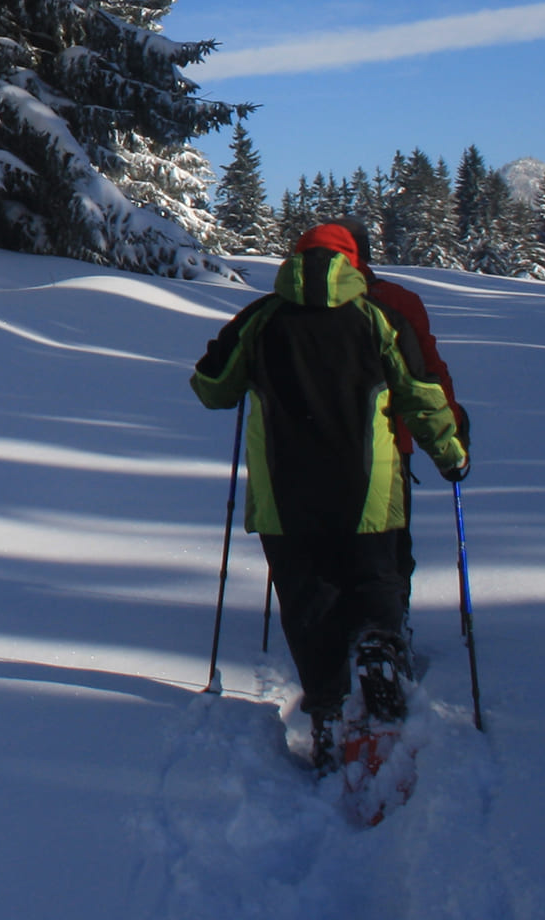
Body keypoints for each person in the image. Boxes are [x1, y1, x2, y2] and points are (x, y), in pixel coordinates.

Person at [192, 222, 467, 766]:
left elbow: (211, 387)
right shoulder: (378, 316)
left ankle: (327, 711)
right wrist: (450, 454)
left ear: (297, 260)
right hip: (367, 489)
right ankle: (379, 648)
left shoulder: (263, 317)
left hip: (284, 493)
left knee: (307, 599)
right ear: (355, 262)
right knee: (375, 577)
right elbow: (421, 395)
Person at [342, 221, 469, 617]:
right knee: (389, 549)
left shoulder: (288, 307)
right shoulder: (399, 301)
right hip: (390, 447)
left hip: (306, 447)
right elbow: (427, 375)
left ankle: (332, 633)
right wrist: (451, 430)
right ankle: (388, 634)